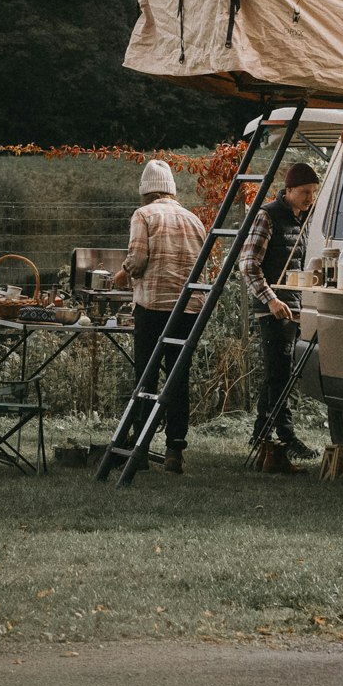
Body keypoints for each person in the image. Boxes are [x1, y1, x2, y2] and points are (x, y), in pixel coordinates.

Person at [121, 158, 205, 472]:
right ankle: (175, 450)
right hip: (188, 309)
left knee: (146, 376)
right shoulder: (194, 219)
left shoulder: (143, 215)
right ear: (170, 190)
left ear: (147, 191)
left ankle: (140, 449)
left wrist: (125, 272)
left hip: (153, 307)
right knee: (177, 377)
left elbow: (139, 258)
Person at [239, 161, 321, 462]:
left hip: (295, 305)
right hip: (273, 307)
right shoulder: (268, 215)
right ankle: (286, 436)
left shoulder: (305, 217)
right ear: (288, 190)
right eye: (304, 192)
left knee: (278, 372)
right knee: (281, 372)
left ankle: (262, 433)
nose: (309, 198)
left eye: (313, 192)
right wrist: (271, 299)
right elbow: (248, 265)